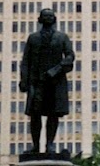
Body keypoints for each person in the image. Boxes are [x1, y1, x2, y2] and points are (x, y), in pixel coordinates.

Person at [19, 8, 75, 153]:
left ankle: (49, 144)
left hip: (55, 82)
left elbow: (70, 56)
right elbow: (26, 60)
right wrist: (24, 80)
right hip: (36, 81)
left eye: (51, 16)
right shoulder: (33, 38)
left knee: (53, 113)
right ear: (40, 19)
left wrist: (56, 69)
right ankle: (36, 145)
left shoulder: (62, 37)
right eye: (45, 16)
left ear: (54, 18)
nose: (48, 18)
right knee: (35, 114)